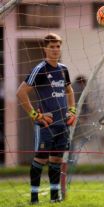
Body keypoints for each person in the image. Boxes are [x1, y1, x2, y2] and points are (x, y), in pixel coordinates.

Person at [16, 33, 77, 204]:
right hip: (46, 124)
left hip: (62, 123)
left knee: (57, 159)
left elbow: (70, 91)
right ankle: (34, 198)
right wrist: (35, 115)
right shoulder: (40, 69)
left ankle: (54, 197)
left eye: (58, 46)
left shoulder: (63, 69)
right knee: (41, 159)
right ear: (45, 48)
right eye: (52, 47)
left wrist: (72, 111)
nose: (56, 50)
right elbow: (21, 93)